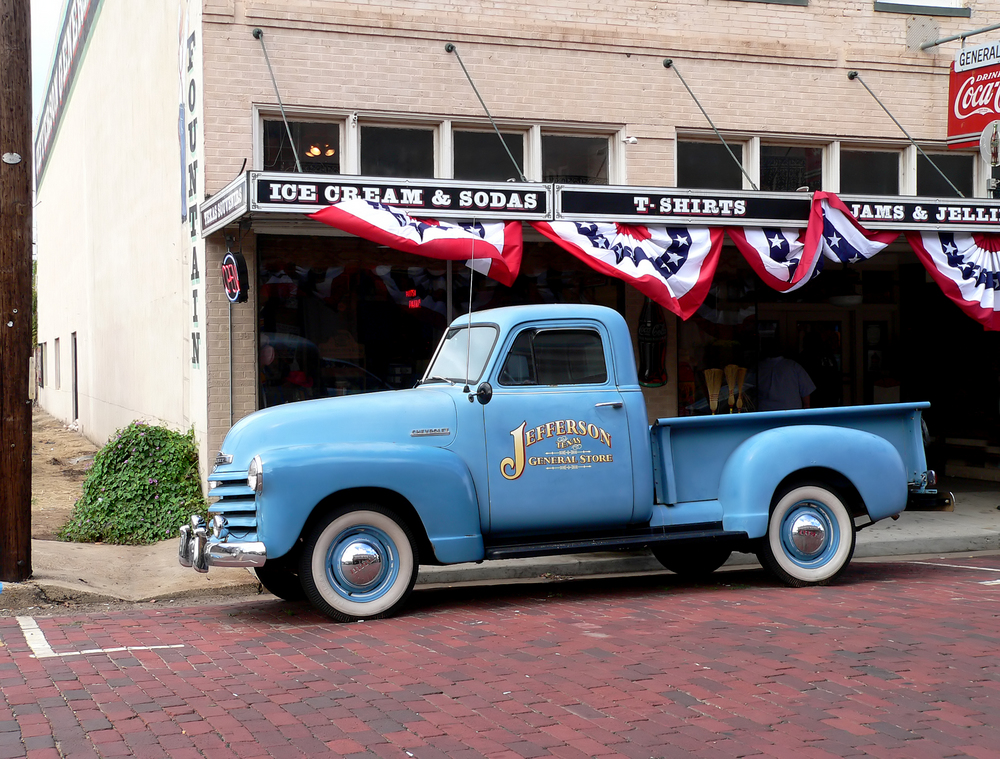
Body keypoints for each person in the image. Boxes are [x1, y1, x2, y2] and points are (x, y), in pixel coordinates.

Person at [757, 338, 816, 411]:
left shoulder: (758, 368)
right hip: (791, 412)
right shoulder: (793, 366)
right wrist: (807, 407)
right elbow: (806, 390)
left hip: (765, 412)